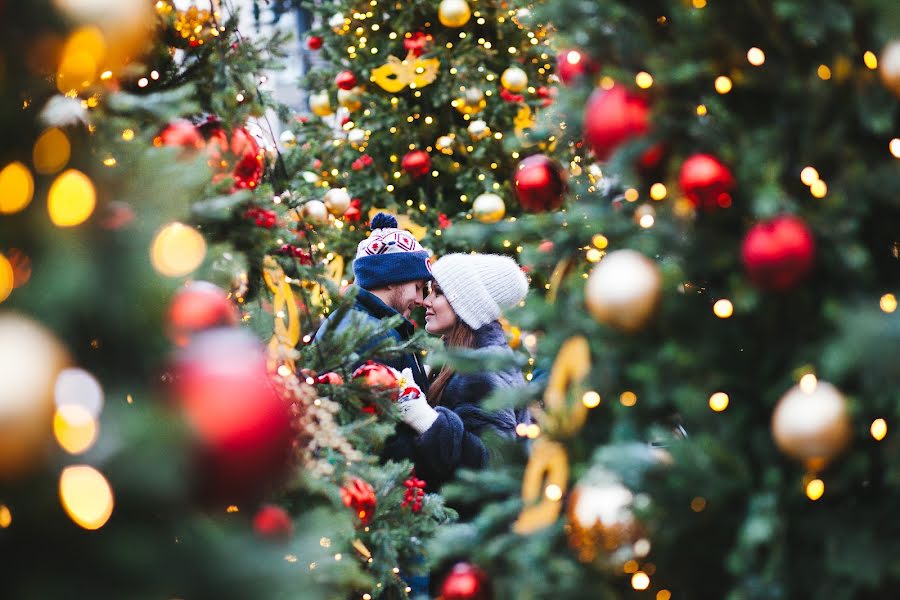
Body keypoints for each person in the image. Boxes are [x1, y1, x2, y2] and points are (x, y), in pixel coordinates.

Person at [386, 253, 530, 490]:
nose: (426, 301)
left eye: (438, 292)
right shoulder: (461, 359)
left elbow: (495, 463)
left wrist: (426, 419)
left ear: (466, 304)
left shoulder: (482, 366)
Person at [313, 213, 432, 390]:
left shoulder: (356, 323)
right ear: (392, 278)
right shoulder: (374, 338)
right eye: (417, 287)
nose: (420, 300)